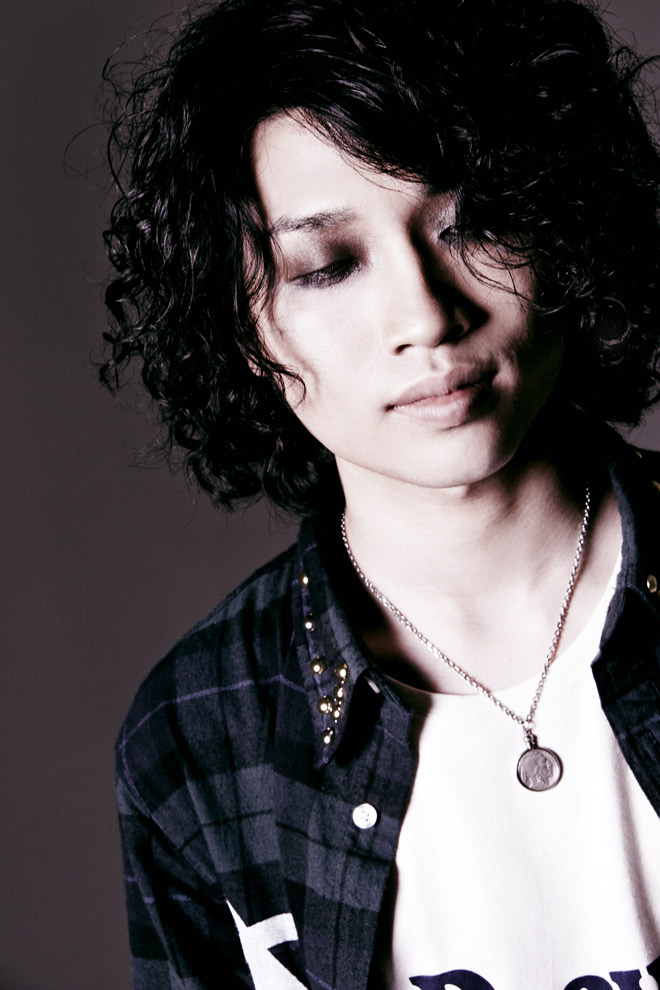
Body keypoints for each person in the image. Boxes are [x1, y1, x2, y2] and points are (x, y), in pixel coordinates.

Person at [101, 0, 660, 986]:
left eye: (471, 224)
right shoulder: (199, 734)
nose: (424, 315)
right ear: (246, 333)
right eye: (328, 266)